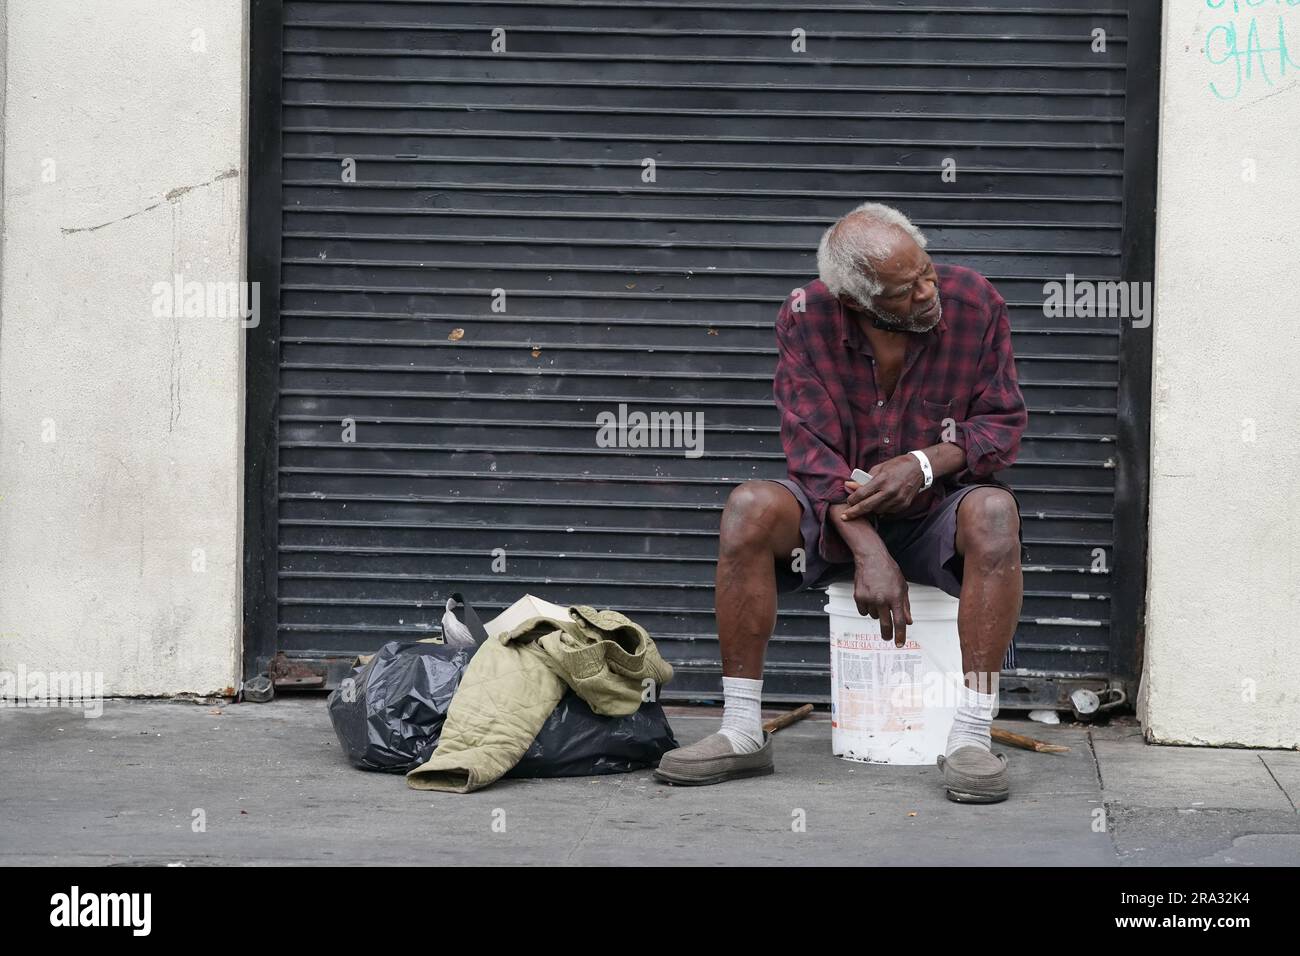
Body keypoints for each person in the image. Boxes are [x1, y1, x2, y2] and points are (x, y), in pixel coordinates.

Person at [654, 202, 1028, 802]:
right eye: (906, 290)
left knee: (993, 513)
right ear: (856, 302)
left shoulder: (974, 302)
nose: (929, 292)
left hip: (938, 513)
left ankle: (971, 735)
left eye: (928, 270)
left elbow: (1000, 424)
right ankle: (742, 730)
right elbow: (810, 449)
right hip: (836, 511)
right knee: (749, 507)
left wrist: (925, 463)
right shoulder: (806, 318)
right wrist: (867, 548)